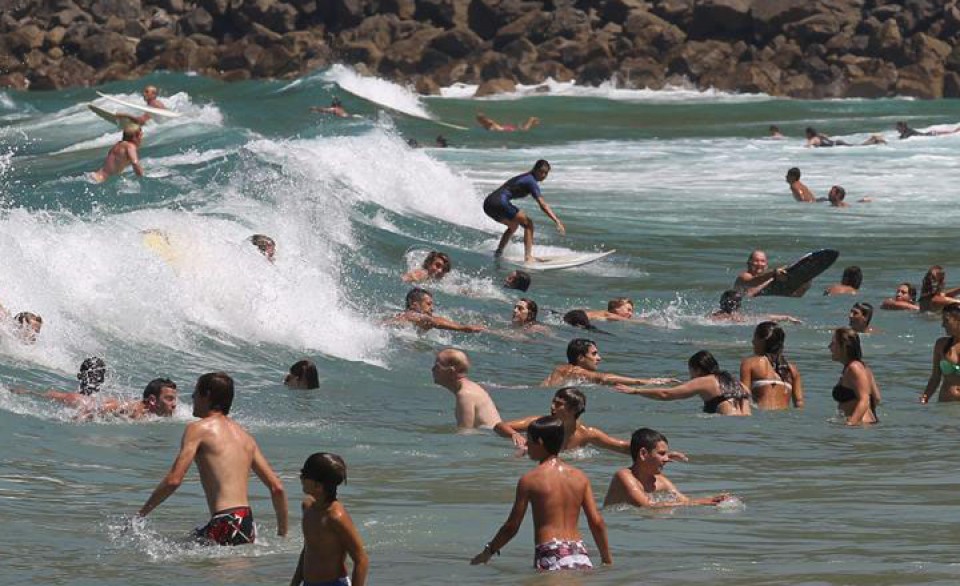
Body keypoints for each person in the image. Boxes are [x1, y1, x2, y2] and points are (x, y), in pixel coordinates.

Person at [137, 372, 288, 545]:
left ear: (207, 395)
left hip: (225, 521)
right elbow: (277, 487)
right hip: (246, 522)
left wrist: (140, 515)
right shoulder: (245, 437)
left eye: (195, 392)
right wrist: (282, 536)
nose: (192, 397)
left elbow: (174, 480)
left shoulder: (198, 429)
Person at [470, 415, 612, 571]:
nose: (526, 445)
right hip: (579, 553)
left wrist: (488, 551)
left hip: (551, 551)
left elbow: (511, 527)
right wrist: (607, 560)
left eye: (529, 440)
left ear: (540, 442)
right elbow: (597, 522)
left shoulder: (530, 480)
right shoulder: (580, 477)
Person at [290, 452, 368, 586]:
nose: (301, 477)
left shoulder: (335, 517)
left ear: (318, 486)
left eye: (305, 475)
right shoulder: (307, 507)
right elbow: (308, 549)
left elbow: (361, 559)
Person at [603, 428, 729, 508]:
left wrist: (713, 500)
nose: (667, 459)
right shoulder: (624, 476)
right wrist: (701, 502)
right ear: (643, 454)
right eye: (662, 454)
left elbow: (685, 501)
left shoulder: (661, 481)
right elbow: (646, 506)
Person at [616, 350, 751, 416]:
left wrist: (636, 391)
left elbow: (666, 394)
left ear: (697, 369)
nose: (690, 375)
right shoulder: (738, 383)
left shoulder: (704, 381)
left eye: (690, 371)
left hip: (728, 426)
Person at [483, 160, 565, 263]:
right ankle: (528, 257)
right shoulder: (531, 181)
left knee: (513, 226)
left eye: (546, 173)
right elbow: (543, 205)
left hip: (488, 204)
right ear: (535, 170)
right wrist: (556, 220)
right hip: (499, 202)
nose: (543, 175)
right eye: (541, 172)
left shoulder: (524, 177)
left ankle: (499, 252)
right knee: (528, 224)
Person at [26, 374, 180, 420]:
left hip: (94, 401)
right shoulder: (136, 409)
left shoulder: (156, 414)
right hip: (85, 403)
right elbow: (110, 407)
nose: (174, 404)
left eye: (174, 399)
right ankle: (21, 390)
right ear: (153, 400)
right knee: (42, 395)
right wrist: (76, 419)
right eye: (169, 399)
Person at [542, 338, 670, 387]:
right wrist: (646, 381)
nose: (599, 358)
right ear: (581, 358)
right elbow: (604, 378)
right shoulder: (578, 371)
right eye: (594, 354)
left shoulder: (560, 369)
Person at [739, 322, 804, 410]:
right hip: (785, 420)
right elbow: (799, 403)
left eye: (755, 338)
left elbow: (744, 396)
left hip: (761, 419)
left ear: (762, 341)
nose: (752, 341)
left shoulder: (750, 363)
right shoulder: (792, 370)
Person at [432, 348, 502, 429]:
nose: (432, 369)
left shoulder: (465, 395)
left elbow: (465, 433)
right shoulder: (470, 387)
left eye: (437, 366)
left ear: (451, 371)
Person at [829, 328, 881, 425]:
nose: (829, 347)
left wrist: (851, 423)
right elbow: (876, 398)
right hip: (863, 425)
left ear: (844, 346)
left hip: (858, 426)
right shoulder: (863, 368)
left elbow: (865, 400)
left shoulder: (855, 368)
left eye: (833, 343)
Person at [391, 288, 486, 333]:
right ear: (414, 304)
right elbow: (433, 321)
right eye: (428, 304)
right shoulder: (412, 316)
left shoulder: (404, 316)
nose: (432, 308)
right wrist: (462, 328)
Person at [921, 304, 960, 404]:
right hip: (944, 406)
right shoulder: (941, 345)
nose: (943, 325)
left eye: (946, 320)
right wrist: (925, 398)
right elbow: (935, 377)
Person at [734, 250, 803, 297]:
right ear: (749, 263)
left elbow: (797, 294)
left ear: (766, 265)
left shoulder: (769, 280)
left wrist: (804, 280)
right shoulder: (743, 277)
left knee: (788, 318)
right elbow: (754, 281)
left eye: (762, 261)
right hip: (731, 313)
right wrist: (774, 272)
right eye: (756, 261)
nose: (759, 264)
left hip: (747, 315)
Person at [709, 290, 801, 324]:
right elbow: (764, 317)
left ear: (721, 302)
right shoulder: (740, 318)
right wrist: (787, 317)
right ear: (739, 305)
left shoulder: (712, 317)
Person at [805, 127, 885, 147]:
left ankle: (874, 139)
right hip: (838, 142)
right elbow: (827, 137)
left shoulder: (814, 139)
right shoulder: (819, 136)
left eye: (806, 134)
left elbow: (808, 145)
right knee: (856, 146)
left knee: (857, 146)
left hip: (838, 144)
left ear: (809, 133)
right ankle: (873, 140)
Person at [475, 112, 540, 132]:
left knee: (524, 130)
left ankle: (531, 119)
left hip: (505, 129)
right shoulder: (485, 122)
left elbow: (491, 126)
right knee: (522, 129)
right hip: (504, 128)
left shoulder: (488, 122)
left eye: (478, 119)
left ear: (481, 119)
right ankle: (532, 121)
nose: (477, 120)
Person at [896, 120, 960, 140]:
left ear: (903, 127)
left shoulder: (908, 131)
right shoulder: (906, 132)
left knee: (952, 132)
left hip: (929, 135)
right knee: (951, 132)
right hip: (929, 134)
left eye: (898, 127)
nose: (896, 129)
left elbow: (903, 138)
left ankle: (957, 130)